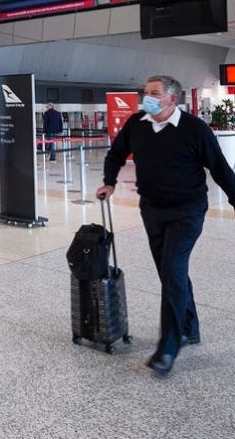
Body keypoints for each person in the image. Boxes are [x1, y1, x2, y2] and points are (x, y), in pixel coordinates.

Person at [97, 75, 235, 376]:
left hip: (188, 211)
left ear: (172, 99)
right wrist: (109, 182)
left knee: (172, 269)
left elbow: (220, 169)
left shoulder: (194, 129)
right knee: (169, 271)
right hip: (152, 210)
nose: (146, 97)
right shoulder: (137, 124)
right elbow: (116, 154)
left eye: (154, 93)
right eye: (146, 92)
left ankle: (169, 346)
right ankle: (189, 326)